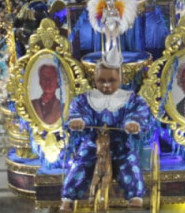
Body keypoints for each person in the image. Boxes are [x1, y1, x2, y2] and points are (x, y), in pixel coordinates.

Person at [61, 60, 151, 211]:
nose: (106, 85)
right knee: (80, 162)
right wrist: (78, 121)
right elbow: (78, 112)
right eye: (101, 81)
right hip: (93, 144)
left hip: (121, 145)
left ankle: (135, 196)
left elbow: (138, 113)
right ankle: (68, 198)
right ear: (94, 79)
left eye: (111, 81)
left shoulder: (131, 99)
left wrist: (133, 123)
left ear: (120, 79)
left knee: (130, 163)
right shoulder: (84, 99)